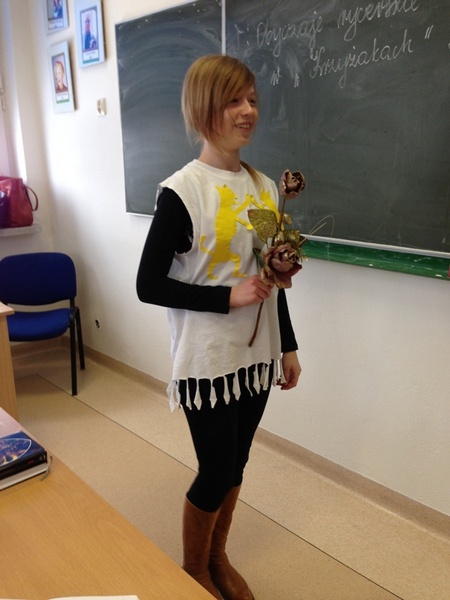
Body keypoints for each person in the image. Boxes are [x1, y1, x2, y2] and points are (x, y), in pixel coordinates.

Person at [136, 54, 301, 600]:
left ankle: (216, 556)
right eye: (233, 100)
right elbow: (148, 284)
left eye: (251, 99)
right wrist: (227, 297)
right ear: (204, 109)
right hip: (209, 360)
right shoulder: (181, 192)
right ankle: (194, 570)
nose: (247, 110)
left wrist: (288, 347)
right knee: (214, 470)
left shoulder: (265, 188)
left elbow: (272, 274)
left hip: (257, 357)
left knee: (237, 464)